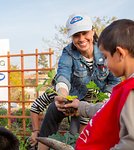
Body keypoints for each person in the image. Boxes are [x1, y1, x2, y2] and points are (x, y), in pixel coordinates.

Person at [30, 12, 120, 149]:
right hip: (72, 101)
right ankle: (42, 147)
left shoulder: (105, 49)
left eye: (85, 33)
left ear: (93, 32)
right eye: (76, 35)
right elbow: (63, 75)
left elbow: (115, 80)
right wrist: (63, 96)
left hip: (95, 103)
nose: (81, 38)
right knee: (54, 108)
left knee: (77, 136)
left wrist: (104, 100)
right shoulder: (68, 52)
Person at [55, 19, 134, 149]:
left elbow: (130, 143)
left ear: (120, 54)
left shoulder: (130, 91)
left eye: (106, 57)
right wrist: (80, 106)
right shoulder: (126, 88)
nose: (106, 64)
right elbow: (109, 109)